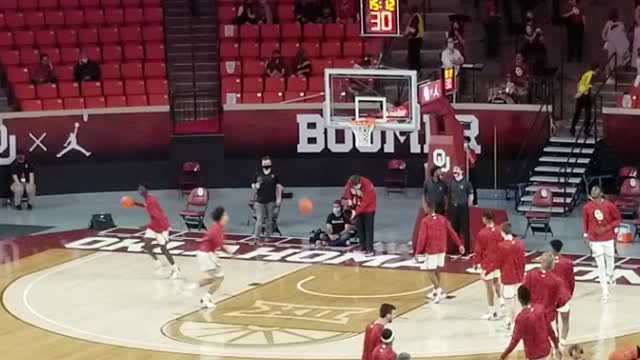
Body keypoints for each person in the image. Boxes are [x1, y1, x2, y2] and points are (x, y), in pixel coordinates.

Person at [415, 200, 465, 303]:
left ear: (428, 208)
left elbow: (422, 237)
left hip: (432, 250)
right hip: (442, 249)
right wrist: (459, 244)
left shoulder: (425, 221)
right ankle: (435, 290)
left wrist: (418, 251)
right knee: (437, 270)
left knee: (430, 272)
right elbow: (452, 232)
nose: (424, 207)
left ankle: (438, 291)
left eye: (425, 206)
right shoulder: (443, 219)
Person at [499, 285, 562, 360]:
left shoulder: (520, 318)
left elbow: (515, 340)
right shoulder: (541, 309)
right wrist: (556, 346)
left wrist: (504, 354)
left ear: (519, 299)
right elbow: (550, 330)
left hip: (533, 354)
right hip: (545, 351)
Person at [582, 185, 621, 302]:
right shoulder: (586, 207)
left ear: (601, 195)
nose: (595, 200)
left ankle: (611, 274)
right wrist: (585, 234)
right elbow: (585, 221)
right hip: (595, 240)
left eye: (597, 197)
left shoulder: (610, 205)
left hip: (608, 238)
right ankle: (605, 292)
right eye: (593, 198)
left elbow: (617, 219)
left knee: (610, 262)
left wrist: (607, 228)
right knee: (600, 266)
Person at [134, 184, 181, 279]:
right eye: (138, 189)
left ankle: (175, 269)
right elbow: (145, 205)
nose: (139, 191)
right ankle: (159, 263)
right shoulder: (148, 198)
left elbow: (158, 218)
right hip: (154, 225)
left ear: (146, 190)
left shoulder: (151, 200)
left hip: (161, 227)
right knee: (146, 246)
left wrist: (146, 226)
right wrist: (135, 203)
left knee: (163, 249)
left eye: (141, 189)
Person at [194, 206, 231, 309]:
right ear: (221, 217)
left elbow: (219, 244)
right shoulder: (217, 228)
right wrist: (229, 252)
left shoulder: (218, 227)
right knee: (220, 278)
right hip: (207, 255)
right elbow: (219, 243)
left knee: (216, 278)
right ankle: (205, 299)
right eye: (225, 215)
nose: (227, 217)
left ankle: (194, 286)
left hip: (205, 254)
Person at [523, 252, 571, 329]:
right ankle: (562, 340)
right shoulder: (557, 281)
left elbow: (523, 294)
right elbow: (564, 298)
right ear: (552, 265)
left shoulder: (530, 275)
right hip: (548, 318)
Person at [474, 210, 503, 320]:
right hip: (498, 262)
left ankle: (492, 312)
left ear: (485, 218)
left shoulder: (482, 233)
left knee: (489, 287)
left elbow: (478, 250)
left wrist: (476, 262)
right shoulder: (499, 230)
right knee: (497, 282)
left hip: (488, 264)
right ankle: (501, 301)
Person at [497, 222, 526, 330]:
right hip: (518, 276)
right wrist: (522, 274)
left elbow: (499, 262)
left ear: (502, 233)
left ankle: (512, 322)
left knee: (510, 302)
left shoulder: (501, 246)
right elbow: (523, 261)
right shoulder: (519, 243)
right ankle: (514, 320)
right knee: (518, 300)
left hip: (508, 278)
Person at [252, 156, 283, 242]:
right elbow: (253, 185)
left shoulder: (274, 174)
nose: (266, 165)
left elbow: (279, 187)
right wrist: (256, 186)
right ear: (262, 164)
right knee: (260, 219)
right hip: (260, 201)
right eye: (264, 164)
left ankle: (267, 236)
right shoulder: (258, 174)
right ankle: (256, 237)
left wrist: (279, 198)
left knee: (269, 219)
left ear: (270, 164)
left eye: (267, 163)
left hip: (271, 200)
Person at [343, 175, 377, 255]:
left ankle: (370, 249)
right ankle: (362, 246)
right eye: (354, 187)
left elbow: (365, 202)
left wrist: (355, 212)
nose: (356, 188)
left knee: (368, 229)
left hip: (369, 208)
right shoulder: (350, 183)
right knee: (360, 228)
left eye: (357, 186)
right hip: (357, 206)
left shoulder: (368, 185)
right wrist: (349, 201)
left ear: (360, 182)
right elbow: (347, 193)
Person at [550, 239, 575, 344]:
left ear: (552, 249)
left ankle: (554, 346)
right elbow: (571, 281)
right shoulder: (568, 263)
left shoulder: (548, 263)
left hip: (551, 298)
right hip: (563, 298)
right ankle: (562, 344)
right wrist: (569, 294)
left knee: (552, 324)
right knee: (565, 323)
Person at [447, 165, 473, 249]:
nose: (455, 171)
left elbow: (471, 195)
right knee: (454, 228)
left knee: (465, 229)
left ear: (461, 171)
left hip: (463, 208)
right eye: (454, 170)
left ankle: (467, 249)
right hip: (454, 208)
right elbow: (449, 196)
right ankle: (456, 248)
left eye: (457, 169)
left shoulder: (466, 183)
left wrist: (468, 205)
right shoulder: (451, 183)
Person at [570, 62, 599, 137]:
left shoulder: (586, 74)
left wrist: (579, 92)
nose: (598, 71)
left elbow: (579, 83)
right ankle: (584, 131)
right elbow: (585, 85)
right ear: (596, 69)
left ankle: (574, 129)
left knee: (580, 113)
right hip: (584, 96)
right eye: (598, 69)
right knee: (585, 114)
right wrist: (580, 93)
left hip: (583, 96)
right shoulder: (591, 75)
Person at [602, 9, 629, 82]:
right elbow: (603, 35)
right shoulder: (609, 23)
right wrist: (608, 39)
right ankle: (608, 77)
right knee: (609, 60)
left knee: (613, 61)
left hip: (616, 45)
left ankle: (612, 76)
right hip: (609, 45)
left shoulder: (621, 24)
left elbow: (623, 35)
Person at [404, 6, 424, 75]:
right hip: (417, 39)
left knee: (413, 57)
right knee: (416, 57)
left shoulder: (415, 17)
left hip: (415, 40)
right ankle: (417, 71)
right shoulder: (418, 17)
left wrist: (407, 32)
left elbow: (414, 30)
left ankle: (414, 72)